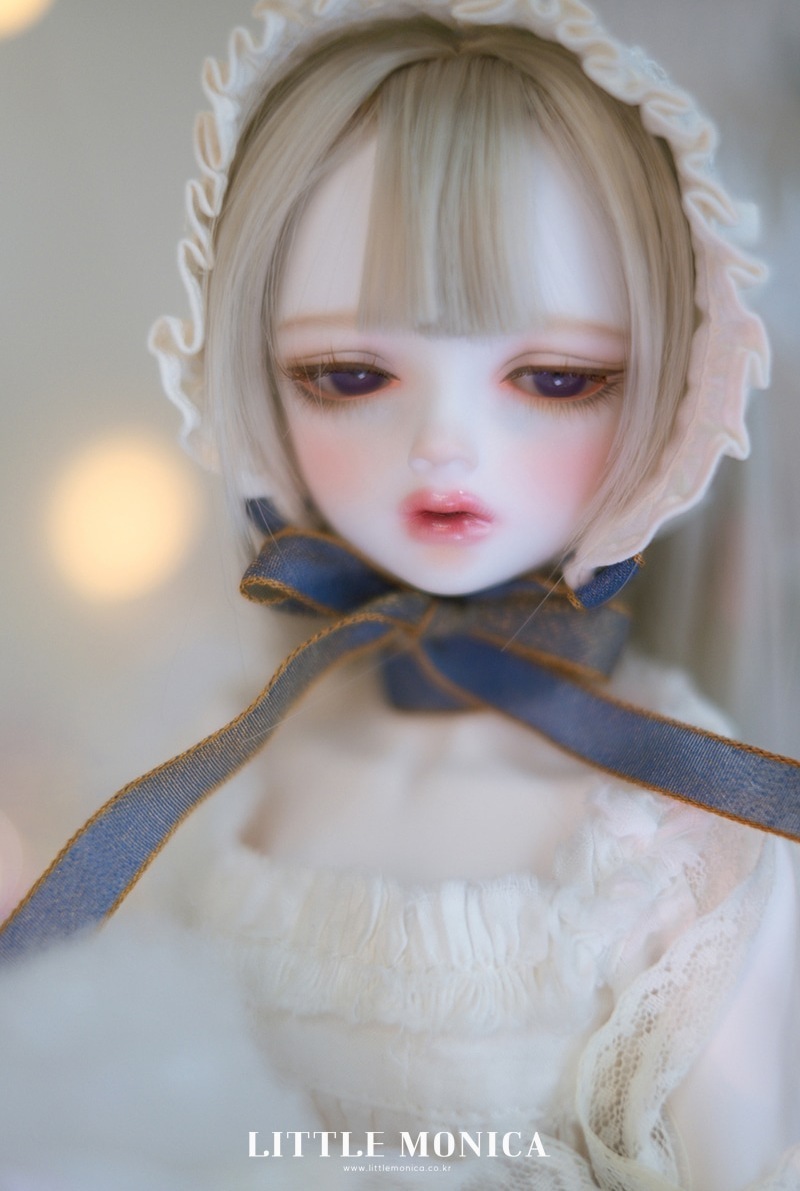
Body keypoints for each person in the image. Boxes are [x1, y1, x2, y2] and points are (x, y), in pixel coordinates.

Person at [1, 2, 798, 1188]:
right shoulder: (223, 752)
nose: (443, 445)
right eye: (348, 374)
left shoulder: (683, 838)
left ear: (673, 383)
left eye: (554, 378)